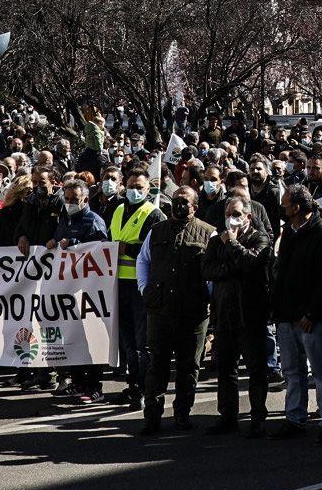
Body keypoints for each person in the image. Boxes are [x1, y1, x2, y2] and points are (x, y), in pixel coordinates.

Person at [137, 185, 215, 434]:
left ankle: (182, 414)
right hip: (159, 310)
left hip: (192, 314)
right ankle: (152, 417)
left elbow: (212, 273)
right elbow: (143, 260)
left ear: (195, 206)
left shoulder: (208, 233)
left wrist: (208, 299)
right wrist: (144, 289)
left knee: (188, 366)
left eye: (185, 201)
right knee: (156, 365)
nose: (179, 205)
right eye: (176, 200)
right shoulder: (156, 230)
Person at [269, 184, 322, 445]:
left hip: (312, 319)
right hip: (287, 316)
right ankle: (295, 417)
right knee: (292, 371)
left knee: (321, 371)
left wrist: (312, 313)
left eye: (286, 204)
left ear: (297, 208)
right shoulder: (289, 232)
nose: (283, 208)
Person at [203, 192, 273, 434]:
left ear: (248, 217)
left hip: (250, 314)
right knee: (226, 369)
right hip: (224, 314)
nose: (231, 220)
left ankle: (258, 416)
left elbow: (252, 264)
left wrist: (232, 244)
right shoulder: (216, 240)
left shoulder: (259, 238)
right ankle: (228, 415)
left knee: (256, 369)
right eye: (227, 215)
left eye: (236, 215)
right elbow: (208, 270)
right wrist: (232, 266)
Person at [50, 176, 113, 400]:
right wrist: (54, 244)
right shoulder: (64, 219)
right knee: (74, 336)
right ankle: (77, 382)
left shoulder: (94, 221)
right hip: (69, 290)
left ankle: (94, 386)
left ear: (85, 199)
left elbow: (101, 252)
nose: (69, 203)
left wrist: (74, 245)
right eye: (66, 199)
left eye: (74, 199)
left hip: (90, 292)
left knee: (93, 337)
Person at [107, 168, 158, 409]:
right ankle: (132, 386)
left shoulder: (154, 215)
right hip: (118, 284)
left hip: (139, 286)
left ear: (148, 190)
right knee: (127, 341)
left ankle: (143, 388)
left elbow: (155, 253)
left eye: (139, 187)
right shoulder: (117, 210)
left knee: (141, 343)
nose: (134, 191)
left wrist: (126, 250)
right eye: (130, 186)